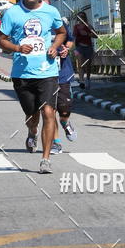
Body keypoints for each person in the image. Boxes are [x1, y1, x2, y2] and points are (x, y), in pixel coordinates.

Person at [0, 0, 66, 174]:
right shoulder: (12, 13)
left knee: (48, 112)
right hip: (22, 74)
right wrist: (18, 48)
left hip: (48, 72)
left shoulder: (50, 11)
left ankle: (45, 159)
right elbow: (2, 40)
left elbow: (61, 32)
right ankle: (32, 131)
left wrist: (55, 46)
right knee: (32, 114)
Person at [51, 18, 78, 154]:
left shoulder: (58, 24)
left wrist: (66, 48)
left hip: (63, 74)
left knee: (64, 111)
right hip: (44, 76)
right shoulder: (31, 25)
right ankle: (56, 143)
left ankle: (65, 123)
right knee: (50, 113)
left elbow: (70, 40)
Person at [73, 11, 95, 90]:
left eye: (82, 16)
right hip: (79, 48)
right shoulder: (76, 27)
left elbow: (95, 35)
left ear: (85, 18)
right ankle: (81, 81)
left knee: (88, 65)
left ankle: (88, 79)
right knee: (80, 64)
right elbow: (73, 36)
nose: (80, 18)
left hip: (88, 47)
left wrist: (87, 34)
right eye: (79, 17)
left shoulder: (88, 26)